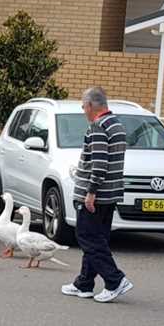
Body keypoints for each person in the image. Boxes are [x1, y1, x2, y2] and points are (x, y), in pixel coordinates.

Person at [61, 87, 133, 303]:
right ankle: (84, 284)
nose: (83, 111)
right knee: (97, 238)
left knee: (87, 238)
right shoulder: (116, 125)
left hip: (96, 195)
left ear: (91, 105)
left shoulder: (98, 127)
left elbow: (100, 164)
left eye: (83, 106)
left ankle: (115, 280)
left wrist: (90, 193)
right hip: (110, 194)